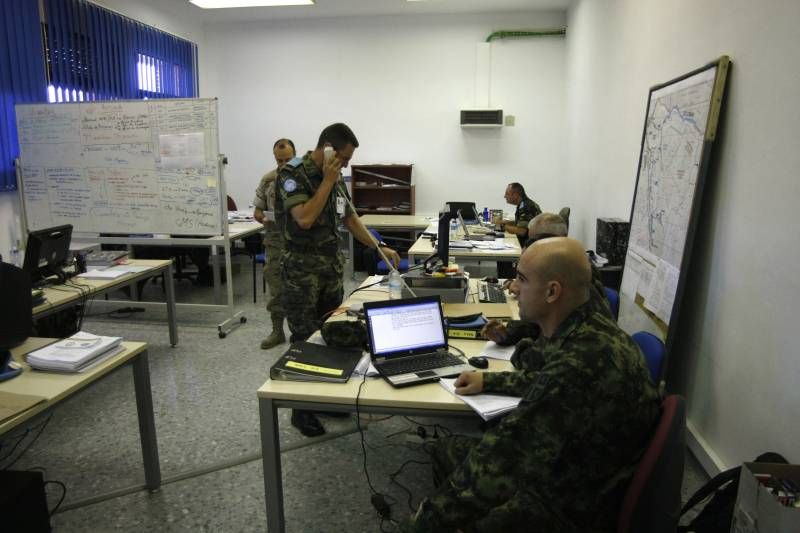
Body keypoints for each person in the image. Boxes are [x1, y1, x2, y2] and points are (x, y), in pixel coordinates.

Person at [400, 238, 660, 532]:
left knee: (471, 475)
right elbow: (544, 380)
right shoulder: (591, 330)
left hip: (576, 502)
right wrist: (489, 379)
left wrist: (425, 520)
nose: (513, 287)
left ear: (552, 292)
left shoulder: (579, 362)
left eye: (521, 279)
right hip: (592, 469)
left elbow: (505, 457)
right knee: (449, 450)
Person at [274, 123, 400, 437]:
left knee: (330, 333)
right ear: (328, 148)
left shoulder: (335, 178)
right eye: (343, 158)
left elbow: (349, 218)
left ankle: (325, 396)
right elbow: (303, 219)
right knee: (304, 339)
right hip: (301, 273)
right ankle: (301, 411)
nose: (344, 164)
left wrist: (378, 246)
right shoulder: (292, 174)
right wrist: (328, 181)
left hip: (330, 268)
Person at [485, 212, 613, 348]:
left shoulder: (575, 273)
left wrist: (522, 347)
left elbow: (546, 352)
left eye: (537, 240)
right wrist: (508, 333)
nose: (533, 246)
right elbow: (541, 323)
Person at [253, 138, 296, 350]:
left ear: (295, 156)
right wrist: (263, 218)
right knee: (276, 286)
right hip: (275, 240)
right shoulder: (268, 179)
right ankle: (277, 331)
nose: (283, 164)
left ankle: (301, 333)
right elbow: (257, 211)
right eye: (280, 160)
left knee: (301, 288)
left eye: (288, 159)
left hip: (299, 242)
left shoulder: (306, 178)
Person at [500, 182, 541, 246]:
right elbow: (521, 223)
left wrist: (502, 226)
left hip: (531, 245)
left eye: (507, 194)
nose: (504, 196)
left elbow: (521, 231)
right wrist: (505, 222)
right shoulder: (523, 204)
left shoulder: (526, 207)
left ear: (515, 195)